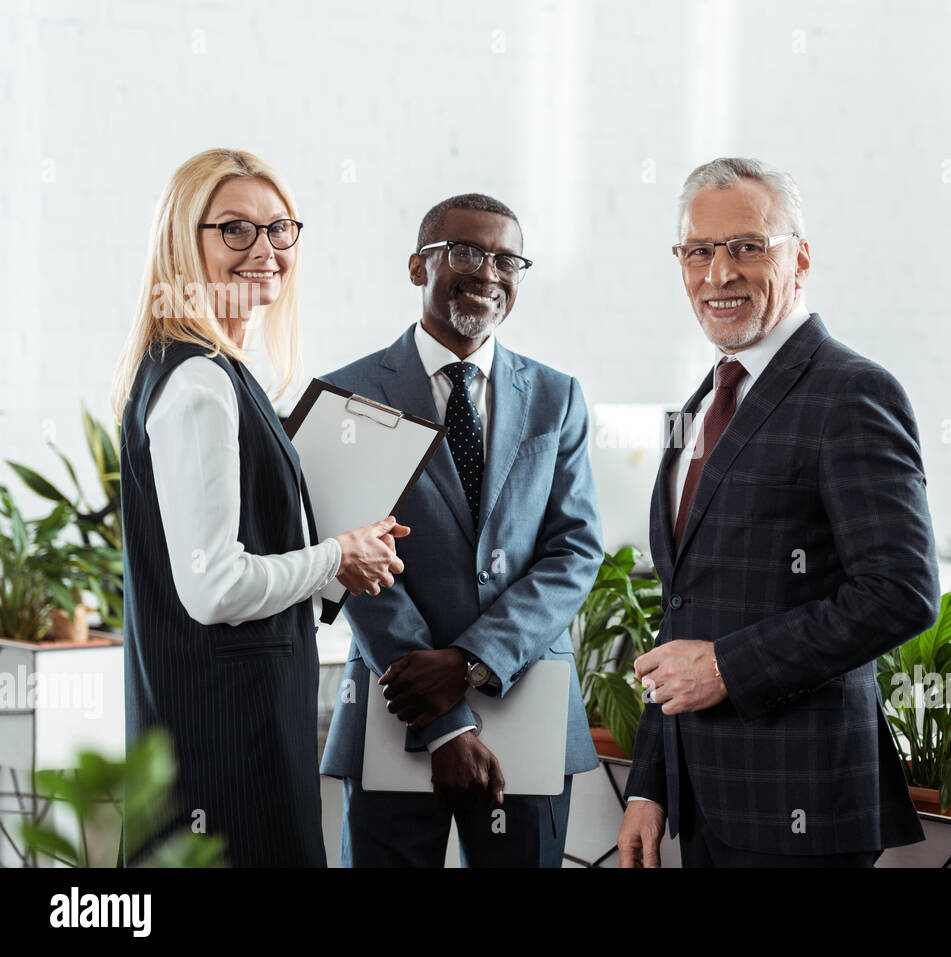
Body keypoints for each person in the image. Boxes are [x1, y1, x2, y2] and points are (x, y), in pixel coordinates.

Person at [617, 157, 940, 868]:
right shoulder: (698, 406)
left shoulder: (852, 392)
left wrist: (729, 667)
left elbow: (901, 593)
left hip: (804, 805)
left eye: (747, 246)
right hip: (704, 802)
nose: (719, 273)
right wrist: (650, 784)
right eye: (698, 250)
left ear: (800, 257)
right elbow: (684, 611)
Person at [111, 148, 408, 867]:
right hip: (227, 739)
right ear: (186, 241)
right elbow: (215, 587)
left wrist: (337, 561)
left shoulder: (205, 371)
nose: (266, 250)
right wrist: (339, 554)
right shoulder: (201, 383)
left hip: (227, 725)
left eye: (280, 229)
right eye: (236, 230)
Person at [319, 193, 602, 867]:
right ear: (418, 266)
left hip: (526, 698)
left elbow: (575, 550)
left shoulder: (557, 397)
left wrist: (472, 660)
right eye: (466, 252)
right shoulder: (347, 395)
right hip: (399, 703)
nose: (488, 272)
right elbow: (358, 567)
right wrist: (446, 723)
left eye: (507, 259)